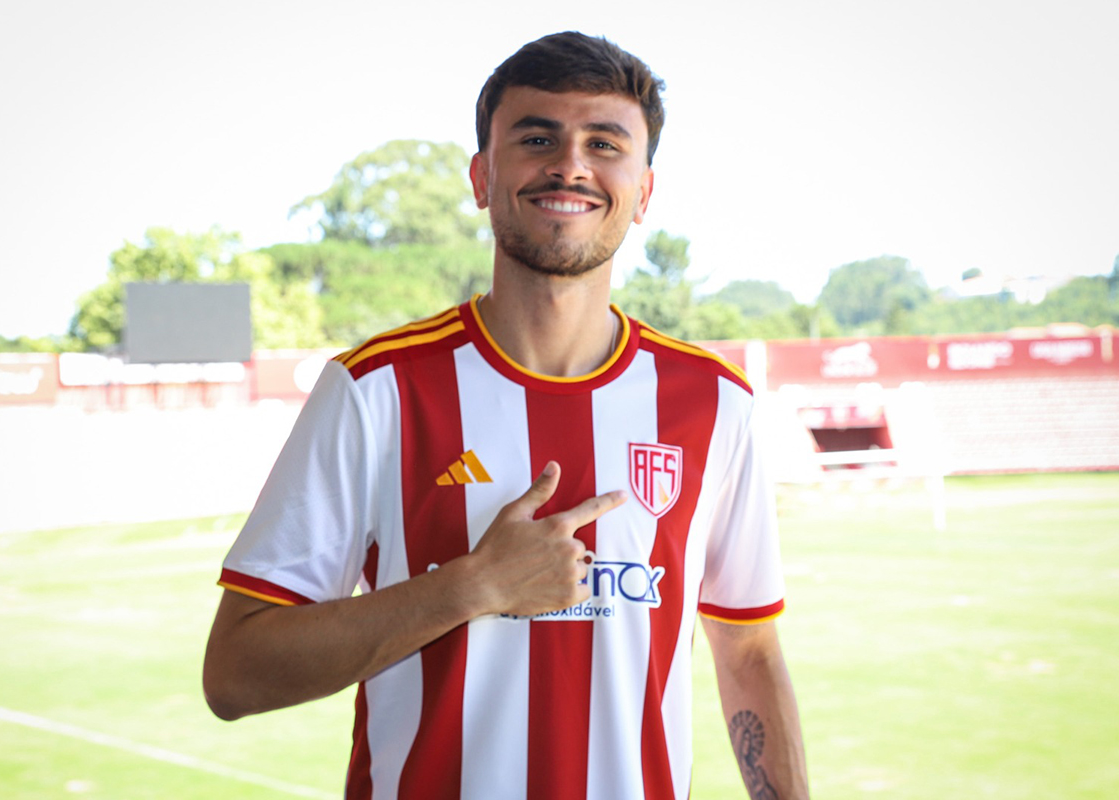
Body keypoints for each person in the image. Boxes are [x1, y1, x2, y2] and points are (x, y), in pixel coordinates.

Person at [203, 31, 808, 800]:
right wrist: (471, 587)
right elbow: (235, 675)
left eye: (604, 143)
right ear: (482, 176)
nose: (571, 166)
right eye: (537, 138)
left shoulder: (714, 402)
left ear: (644, 192)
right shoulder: (376, 389)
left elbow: (748, 649)